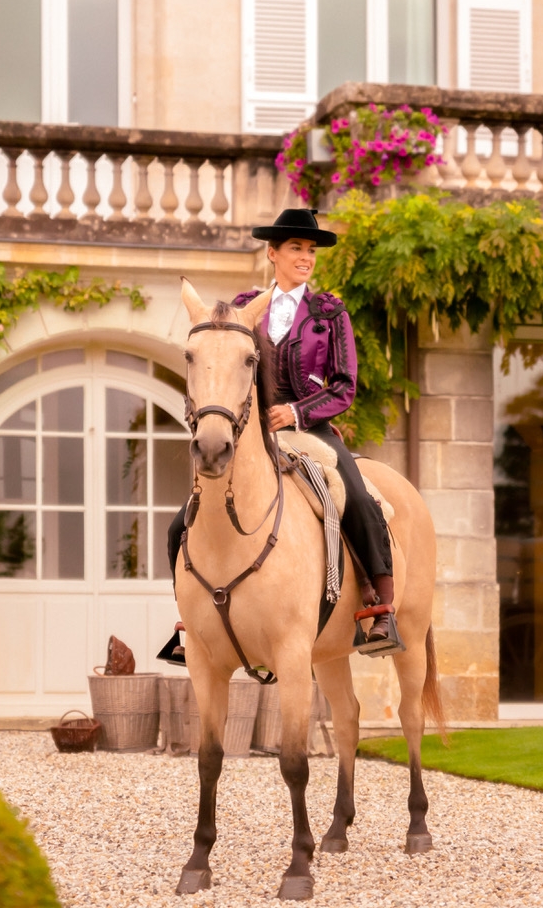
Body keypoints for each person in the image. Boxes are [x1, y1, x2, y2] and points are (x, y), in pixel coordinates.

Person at [162, 207, 399, 661]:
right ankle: (191, 619)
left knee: (359, 497)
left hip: (311, 430)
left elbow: (345, 387)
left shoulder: (330, 312)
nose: (306, 257)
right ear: (272, 253)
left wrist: (295, 411)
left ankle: (379, 605)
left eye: (310, 250)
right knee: (181, 521)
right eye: (296, 248)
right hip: (252, 434)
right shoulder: (245, 306)